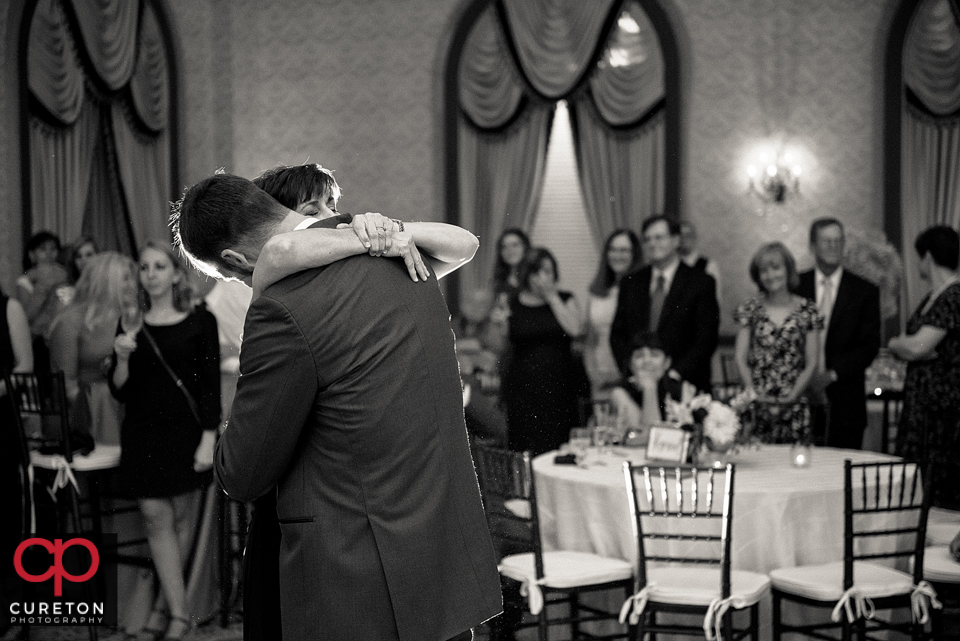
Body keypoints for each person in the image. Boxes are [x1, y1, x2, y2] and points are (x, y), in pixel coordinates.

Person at [173, 171, 502, 641]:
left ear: (234, 259)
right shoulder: (408, 258)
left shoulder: (281, 306)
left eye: (235, 276)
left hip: (355, 582)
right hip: (440, 561)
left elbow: (243, 473)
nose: (246, 284)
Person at [109, 241, 220, 641]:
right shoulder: (131, 320)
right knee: (155, 517)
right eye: (144, 267)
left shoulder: (199, 319)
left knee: (180, 521)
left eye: (159, 267)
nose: (151, 274)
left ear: (176, 273)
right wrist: (121, 357)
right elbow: (120, 391)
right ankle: (178, 613)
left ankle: (167, 607)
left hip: (186, 433)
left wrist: (208, 438)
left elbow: (209, 388)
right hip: (142, 432)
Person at [889, 225, 960, 511]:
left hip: (942, 406)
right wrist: (911, 347)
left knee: (937, 477)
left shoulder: (953, 296)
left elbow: (916, 347)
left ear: (928, 258)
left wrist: (897, 343)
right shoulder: (934, 295)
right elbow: (920, 348)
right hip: (924, 402)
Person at [796, 217, 880, 449]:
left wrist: (831, 374)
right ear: (813, 246)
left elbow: (869, 346)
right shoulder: (796, 286)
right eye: (826, 241)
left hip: (845, 403)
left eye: (838, 240)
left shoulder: (865, 291)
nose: (833, 246)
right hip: (798, 399)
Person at [610, 215, 720, 393]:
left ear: (676, 240)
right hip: (638, 386)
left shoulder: (701, 282)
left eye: (659, 237)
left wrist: (674, 374)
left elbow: (706, 339)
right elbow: (618, 335)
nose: (652, 243)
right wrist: (633, 372)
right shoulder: (631, 283)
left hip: (685, 384)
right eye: (647, 239)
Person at [498, 247, 584, 455]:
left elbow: (576, 329)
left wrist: (552, 297)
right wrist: (499, 323)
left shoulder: (565, 298)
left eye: (549, 272)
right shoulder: (511, 302)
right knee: (524, 447)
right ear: (527, 274)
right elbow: (501, 344)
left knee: (557, 447)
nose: (543, 277)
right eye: (537, 272)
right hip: (522, 387)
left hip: (559, 388)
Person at [734, 242, 822, 444]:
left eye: (776, 268)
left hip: (795, 401)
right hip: (756, 402)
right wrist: (754, 395)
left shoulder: (808, 310)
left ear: (788, 269)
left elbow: (812, 361)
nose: (770, 275)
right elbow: (740, 358)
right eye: (763, 270)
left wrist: (790, 398)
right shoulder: (750, 308)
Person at [48, 252, 136, 446]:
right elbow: (66, 386)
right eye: (125, 279)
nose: (132, 285)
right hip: (86, 415)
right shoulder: (70, 322)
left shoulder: (129, 318)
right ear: (106, 282)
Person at [0, 289, 32, 640]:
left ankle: (12, 617)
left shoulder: (9, 307)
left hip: (4, 427)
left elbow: (24, 367)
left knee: (6, 521)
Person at [584, 229, 642, 401]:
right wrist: (593, 374)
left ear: (635, 254)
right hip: (601, 378)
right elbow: (590, 341)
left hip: (632, 376)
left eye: (624, 250)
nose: (617, 255)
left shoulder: (642, 291)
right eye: (613, 249)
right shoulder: (596, 292)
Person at [609, 332, 692, 443]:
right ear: (630, 364)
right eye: (639, 356)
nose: (647, 361)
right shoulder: (619, 393)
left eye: (654, 355)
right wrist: (650, 389)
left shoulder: (681, 389)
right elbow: (646, 437)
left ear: (667, 362)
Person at [15, 231, 70, 372]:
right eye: (43, 249)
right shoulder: (25, 280)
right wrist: (43, 287)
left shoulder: (65, 274)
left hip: (62, 336)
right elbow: (26, 318)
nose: (49, 254)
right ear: (32, 255)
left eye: (53, 249)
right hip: (37, 340)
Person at [679, 221, 722, 304]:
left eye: (687, 236)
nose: (683, 239)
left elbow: (715, 298)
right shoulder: (672, 265)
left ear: (694, 238)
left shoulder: (709, 265)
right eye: (681, 236)